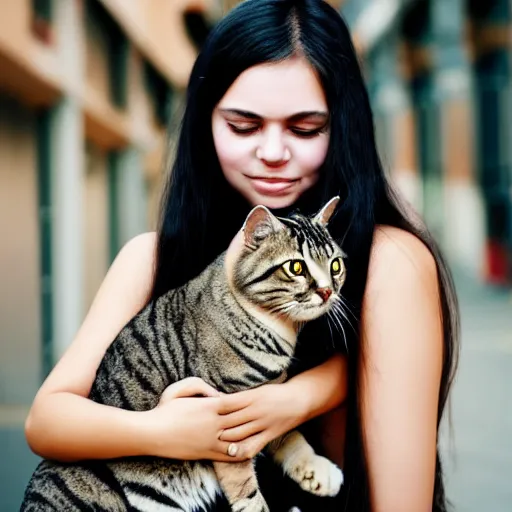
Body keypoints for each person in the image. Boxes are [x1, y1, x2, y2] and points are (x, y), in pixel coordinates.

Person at [24, 0, 459, 510]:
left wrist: (299, 398)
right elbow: (48, 421)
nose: (273, 152)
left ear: (343, 129)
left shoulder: (390, 263)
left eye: (304, 128)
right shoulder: (152, 258)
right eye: (243, 125)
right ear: (206, 124)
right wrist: (170, 433)